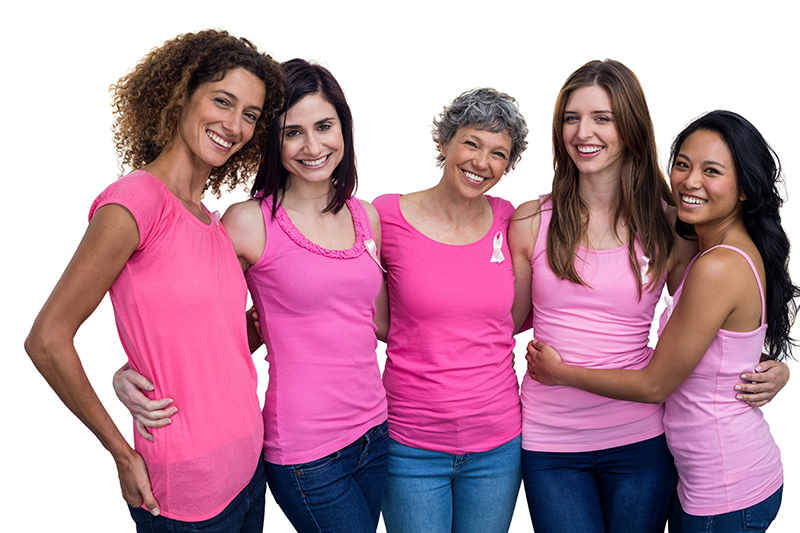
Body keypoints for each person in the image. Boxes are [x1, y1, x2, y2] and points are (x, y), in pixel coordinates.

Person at [507, 61, 789, 533]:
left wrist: (767, 365)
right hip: (551, 443)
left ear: (631, 128)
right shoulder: (531, 220)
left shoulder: (670, 227)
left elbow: (711, 322)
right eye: (571, 117)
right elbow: (498, 321)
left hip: (640, 439)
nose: (583, 132)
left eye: (603, 117)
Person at [114, 59, 390, 533]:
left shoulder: (367, 216)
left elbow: (379, 322)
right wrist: (134, 371)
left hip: (376, 432)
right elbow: (190, 309)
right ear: (271, 142)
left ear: (344, 129)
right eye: (292, 133)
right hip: (307, 451)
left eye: (325, 127)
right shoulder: (246, 223)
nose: (313, 146)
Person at [24, 29, 284, 532]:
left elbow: (214, 343)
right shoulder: (135, 202)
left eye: (250, 115)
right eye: (222, 101)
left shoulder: (211, 221)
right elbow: (47, 341)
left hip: (249, 472)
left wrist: (135, 369)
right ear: (181, 95)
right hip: (183, 490)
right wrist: (120, 453)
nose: (234, 125)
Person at [373, 87, 528, 533]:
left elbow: (513, 319)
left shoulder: (509, 219)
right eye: (472, 143)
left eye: (498, 153)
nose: (482, 162)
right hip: (410, 444)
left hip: (497, 446)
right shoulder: (388, 215)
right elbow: (379, 317)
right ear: (444, 142)